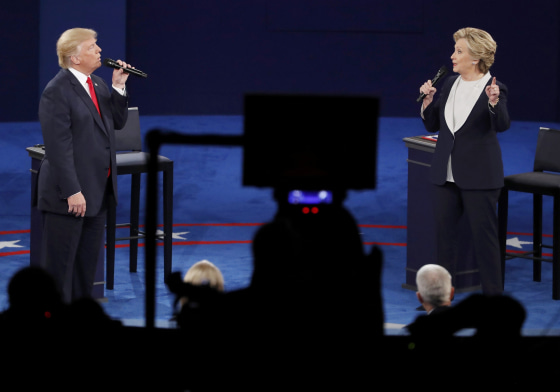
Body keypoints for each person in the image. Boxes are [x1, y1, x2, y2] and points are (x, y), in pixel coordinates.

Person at [36, 28, 132, 303]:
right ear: (74, 58)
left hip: (97, 191)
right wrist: (72, 191)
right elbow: (58, 148)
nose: (99, 50)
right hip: (69, 196)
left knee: (85, 269)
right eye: (92, 47)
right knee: (60, 270)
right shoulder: (57, 91)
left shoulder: (99, 84)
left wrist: (118, 85)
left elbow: (117, 122)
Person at [418, 27, 510, 296]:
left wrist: (494, 103)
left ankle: (494, 299)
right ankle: (440, 298)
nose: (452, 56)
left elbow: (502, 124)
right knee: (444, 241)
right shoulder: (448, 85)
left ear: (476, 57)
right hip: (445, 175)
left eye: (459, 51)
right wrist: (428, 100)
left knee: (485, 242)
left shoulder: (494, 88)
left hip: (479, 176)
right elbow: (433, 122)